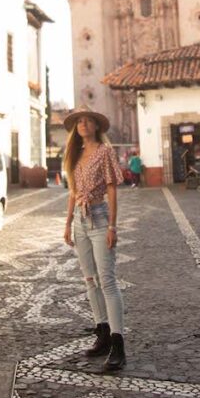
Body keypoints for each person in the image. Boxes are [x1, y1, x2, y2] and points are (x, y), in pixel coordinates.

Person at [63, 106, 126, 370]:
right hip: (79, 219)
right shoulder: (74, 155)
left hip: (99, 217)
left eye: (88, 121)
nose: (84, 124)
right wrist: (67, 223)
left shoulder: (105, 152)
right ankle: (101, 334)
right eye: (80, 121)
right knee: (90, 281)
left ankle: (118, 346)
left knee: (107, 280)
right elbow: (72, 192)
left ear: (96, 126)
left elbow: (112, 190)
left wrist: (112, 226)